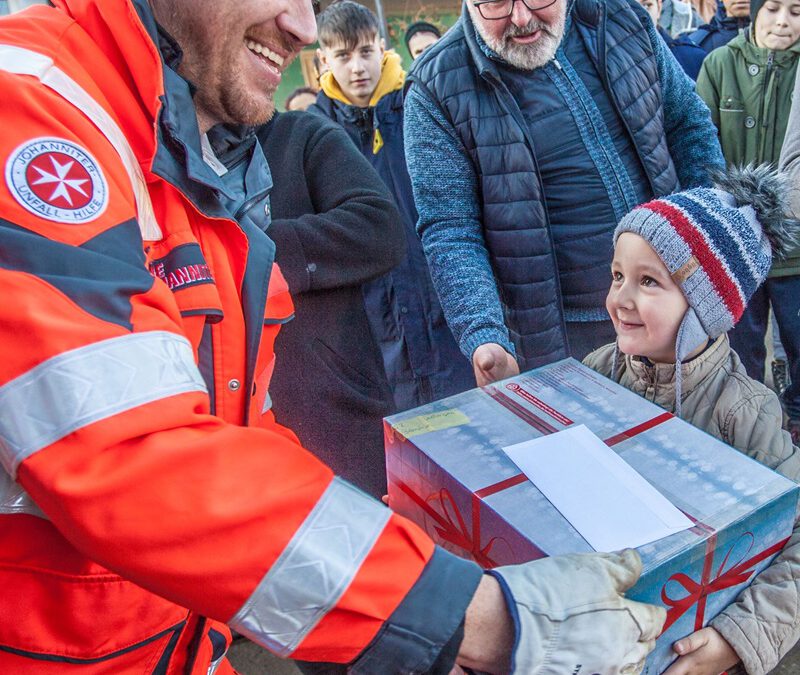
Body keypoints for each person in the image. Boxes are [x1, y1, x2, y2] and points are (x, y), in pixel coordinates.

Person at [0, 0, 667, 672]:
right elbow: (131, 452)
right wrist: (469, 615)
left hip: (164, 638)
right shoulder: (29, 101)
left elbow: (237, 434)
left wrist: (384, 554)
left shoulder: (175, 148)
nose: (304, 28)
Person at [404, 0, 724, 388]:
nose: (521, 18)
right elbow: (451, 229)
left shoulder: (620, 17)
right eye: (496, 2)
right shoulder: (435, 87)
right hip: (567, 344)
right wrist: (484, 333)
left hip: (678, 306)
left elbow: (687, 123)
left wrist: (706, 246)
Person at [583, 165, 800, 675]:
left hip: (692, 637)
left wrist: (735, 639)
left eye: (648, 281)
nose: (620, 298)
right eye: (617, 276)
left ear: (706, 308)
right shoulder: (599, 371)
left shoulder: (743, 413)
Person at [313, 0, 475, 411]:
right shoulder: (316, 133)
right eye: (343, 56)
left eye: (365, 52)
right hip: (375, 320)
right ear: (324, 60)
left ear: (382, 48)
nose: (357, 68)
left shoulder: (419, 107)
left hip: (441, 301)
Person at [257, 110, 403, 498]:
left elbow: (381, 228)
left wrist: (254, 252)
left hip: (333, 414)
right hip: (232, 427)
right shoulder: (158, 156)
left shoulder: (300, 135)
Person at [696, 0, 800, 441]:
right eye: (773, 8)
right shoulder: (719, 64)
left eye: (796, 11)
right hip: (738, 242)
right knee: (742, 340)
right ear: (755, 12)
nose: (782, 21)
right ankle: (750, 422)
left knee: (797, 338)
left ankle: (794, 418)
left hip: (795, 247)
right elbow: (700, 141)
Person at [640, 0, 708, 78]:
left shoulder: (692, 59)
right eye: (629, 8)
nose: (638, 15)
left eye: (646, 6)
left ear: (659, 7)